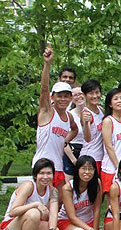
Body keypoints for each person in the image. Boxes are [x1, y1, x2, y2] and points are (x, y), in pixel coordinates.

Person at [33, 43, 78, 190]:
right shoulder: (47, 111)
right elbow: (44, 88)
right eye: (59, 96)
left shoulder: (68, 116)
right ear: (53, 97)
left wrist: (64, 141)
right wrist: (47, 64)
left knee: (57, 204)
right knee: (42, 204)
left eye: (66, 96)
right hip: (42, 166)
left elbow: (74, 129)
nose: (63, 99)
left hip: (58, 167)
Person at [1, 159, 62, 230]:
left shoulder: (53, 191)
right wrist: (35, 204)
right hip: (11, 227)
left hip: (33, 224)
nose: (45, 177)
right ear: (35, 175)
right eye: (41, 173)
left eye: (49, 173)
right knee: (34, 213)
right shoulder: (29, 186)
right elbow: (13, 211)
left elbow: (53, 214)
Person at [58, 155, 105, 230]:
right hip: (67, 222)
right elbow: (72, 217)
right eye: (83, 168)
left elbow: (97, 209)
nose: (87, 172)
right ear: (77, 170)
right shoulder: (68, 188)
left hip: (88, 222)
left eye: (90, 169)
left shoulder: (97, 183)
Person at [101, 88, 121, 194]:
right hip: (112, 167)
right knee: (111, 202)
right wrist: (118, 166)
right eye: (116, 99)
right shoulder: (108, 121)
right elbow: (108, 146)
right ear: (110, 104)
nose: (120, 101)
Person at [63, 86, 87, 182]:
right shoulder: (68, 115)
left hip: (88, 152)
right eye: (75, 95)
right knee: (69, 186)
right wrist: (73, 160)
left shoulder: (96, 112)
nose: (78, 97)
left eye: (80, 93)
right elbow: (63, 141)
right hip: (72, 152)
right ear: (71, 99)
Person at [80, 80, 105, 173]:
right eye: (91, 93)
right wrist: (86, 124)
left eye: (97, 92)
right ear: (85, 95)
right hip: (90, 156)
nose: (95, 96)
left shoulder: (101, 110)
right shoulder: (86, 113)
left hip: (101, 156)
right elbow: (87, 138)